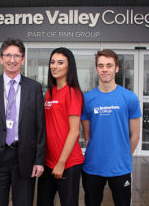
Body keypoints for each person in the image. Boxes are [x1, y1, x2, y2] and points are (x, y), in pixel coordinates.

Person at [0, 37, 46, 206]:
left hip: (24, 158)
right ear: (1, 59)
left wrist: (38, 160)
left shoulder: (34, 88)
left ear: (23, 60)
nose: (12, 60)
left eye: (17, 56)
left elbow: (40, 128)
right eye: (8, 55)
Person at [81, 49, 141, 206]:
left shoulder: (129, 97)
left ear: (117, 68)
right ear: (96, 69)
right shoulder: (87, 99)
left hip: (120, 167)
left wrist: (124, 156)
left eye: (109, 65)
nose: (105, 69)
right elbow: (87, 135)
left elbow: (135, 135)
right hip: (93, 166)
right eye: (101, 65)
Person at [37, 47, 84, 206]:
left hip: (67, 163)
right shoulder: (50, 92)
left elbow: (74, 131)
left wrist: (61, 162)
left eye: (60, 62)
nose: (55, 66)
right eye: (52, 62)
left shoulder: (72, 92)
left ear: (69, 66)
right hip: (48, 162)